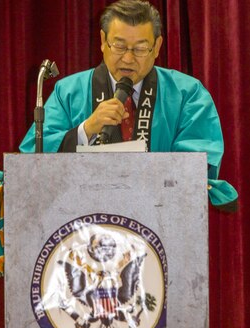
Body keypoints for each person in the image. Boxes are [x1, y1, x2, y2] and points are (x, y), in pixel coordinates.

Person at [19, 0, 237, 207]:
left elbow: (197, 163)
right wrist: (86, 130)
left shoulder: (187, 94)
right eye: (119, 46)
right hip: (78, 224)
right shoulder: (68, 91)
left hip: (159, 223)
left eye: (140, 49)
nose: (128, 59)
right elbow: (33, 158)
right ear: (103, 42)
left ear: (157, 46)